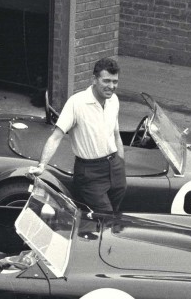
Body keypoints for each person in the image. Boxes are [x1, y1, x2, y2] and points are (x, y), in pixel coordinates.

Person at [29, 57, 126, 214]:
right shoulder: (76, 103)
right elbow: (56, 137)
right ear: (94, 79)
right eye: (106, 81)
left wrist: (120, 163)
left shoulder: (114, 100)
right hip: (90, 171)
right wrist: (42, 165)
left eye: (115, 82)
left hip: (115, 167)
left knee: (113, 214)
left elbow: (116, 134)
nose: (111, 86)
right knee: (105, 215)